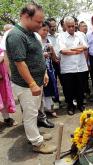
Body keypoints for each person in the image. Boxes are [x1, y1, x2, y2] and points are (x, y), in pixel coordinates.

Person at [5, 2, 56, 153]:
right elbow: (20, 63)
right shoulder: (15, 35)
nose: (41, 25)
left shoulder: (32, 34)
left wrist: (44, 73)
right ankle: (37, 143)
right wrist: (32, 83)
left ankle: (35, 135)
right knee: (30, 113)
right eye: (38, 22)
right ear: (26, 17)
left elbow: (38, 56)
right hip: (26, 84)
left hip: (36, 81)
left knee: (34, 111)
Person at [58, 16, 88, 115]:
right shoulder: (61, 36)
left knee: (80, 88)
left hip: (80, 66)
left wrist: (71, 49)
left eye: (73, 26)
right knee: (68, 89)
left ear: (75, 25)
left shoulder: (80, 35)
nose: (71, 28)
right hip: (68, 68)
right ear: (65, 26)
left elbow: (84, 47)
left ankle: (80, 104)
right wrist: (77, 49)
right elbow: (63, 51)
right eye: (69, 26)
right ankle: (70, 106)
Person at [38, 21, 59, 117]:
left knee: (50, 88)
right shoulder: (36, 41)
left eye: (47, 30)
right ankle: (41, 111)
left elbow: (54, 58)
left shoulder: (47, 41)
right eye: (43, 30)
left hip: (49, 68)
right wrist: (42, 55)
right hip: (39, 70)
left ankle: (49, 108)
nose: (46, 32)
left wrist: (52, 50)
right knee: (41, 91)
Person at [0, 48, 17, 126]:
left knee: (4, 98)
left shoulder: (1, 50)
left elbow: (2, 58)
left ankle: (7, 118)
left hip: (2, 78)